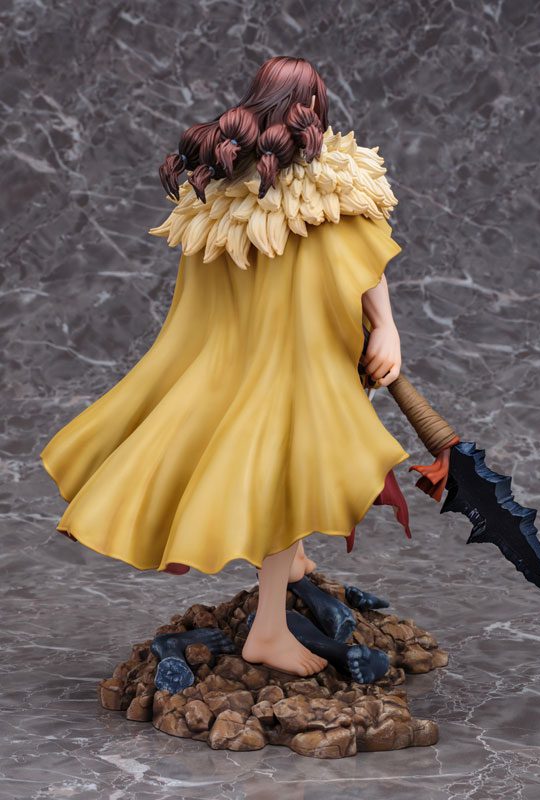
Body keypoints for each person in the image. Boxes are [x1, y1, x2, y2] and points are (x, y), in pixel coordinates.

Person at [41, 56, 411, 677]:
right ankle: (268, 631)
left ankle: (292, 564)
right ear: (312, 109)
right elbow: (363, 262)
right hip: (280, 371)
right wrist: (387, 327)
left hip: (253, 365)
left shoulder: (217, 188)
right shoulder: (325, 185)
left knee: (275, 473)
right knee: (285, 483)